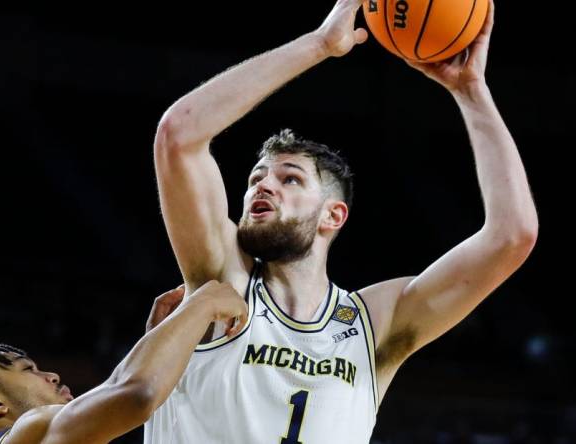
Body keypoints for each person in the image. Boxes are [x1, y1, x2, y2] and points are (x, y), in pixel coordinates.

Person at [147, 0, 538, 442]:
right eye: (256, 178)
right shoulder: (221, 283)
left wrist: (471, 92)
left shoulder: (373, 325)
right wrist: (320, 44)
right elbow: (178, 135)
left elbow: (511, 235)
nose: (262, 186)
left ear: (334, 215)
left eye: (289, 179)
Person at [0, 281, 247, 444]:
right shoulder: (27, 434)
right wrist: (204, 302)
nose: (51, 374)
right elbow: (134, 394)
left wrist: (161, 341)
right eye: (27, 369)